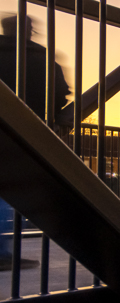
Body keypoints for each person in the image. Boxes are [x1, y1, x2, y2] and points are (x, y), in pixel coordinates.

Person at [0, 14, 73, 268]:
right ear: (29, 31)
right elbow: (62, 93)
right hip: (29, 132)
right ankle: (2, 253)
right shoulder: (43, 58)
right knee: (15, 191)